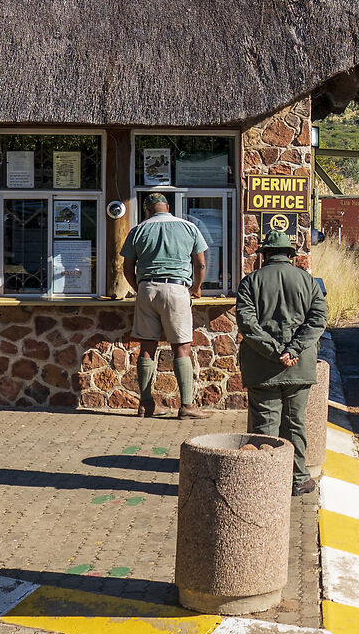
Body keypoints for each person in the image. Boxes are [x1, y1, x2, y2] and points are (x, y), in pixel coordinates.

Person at [235, 225, 329, 494]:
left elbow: (247, 323)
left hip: (262, 368)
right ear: (290, 255)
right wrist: (293, 350)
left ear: (264, 255)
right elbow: (318, 320)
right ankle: (298, 479)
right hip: (299, 367)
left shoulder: (250, 283)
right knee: (295, 424)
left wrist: (275, 351)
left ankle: (266, 483)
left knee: (265, 426)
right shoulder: (308, 282)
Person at [119, 193, 213, 419]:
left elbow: (127, 267)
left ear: (147, 210)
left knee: (147, 346)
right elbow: (200, 263)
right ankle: (187, 406)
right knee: (181, 347)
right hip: (177, 288)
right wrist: (196, 289)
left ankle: (146, 404)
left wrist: (139, 286)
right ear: (168, 207)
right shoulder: (189, 227)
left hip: (147, 289)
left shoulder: (138, 230)